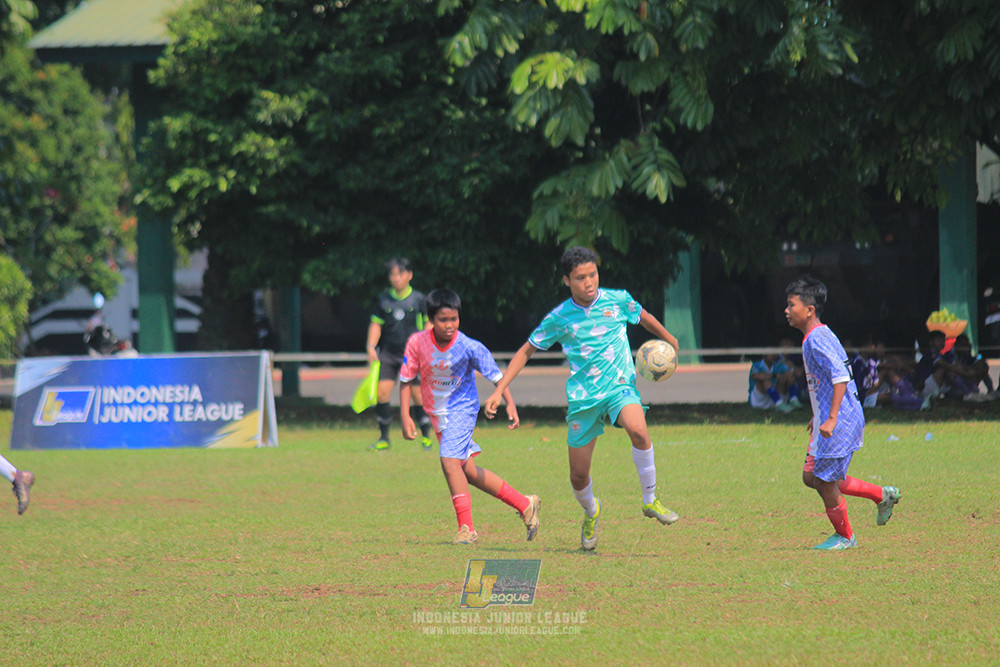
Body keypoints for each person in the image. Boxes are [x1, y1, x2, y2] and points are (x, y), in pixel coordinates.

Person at [484, 246, 680, 552]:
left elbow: (643, 317)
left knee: (639, 429)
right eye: (580, 278)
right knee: (578, 475)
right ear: (566, 280)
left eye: (593, 275)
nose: (589, 282)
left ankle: (650, 499)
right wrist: (498, 390)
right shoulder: (560, 318)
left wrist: (669, 338)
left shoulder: (617, 300)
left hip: (618, 387)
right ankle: (591, 512)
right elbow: (525, 351)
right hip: (583, 399)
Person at [399, 288, 539, 545]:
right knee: (468, 471)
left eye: (454, 319)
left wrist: (510, 403)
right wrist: (406, 415)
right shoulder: (417, 343)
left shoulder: (469, 347)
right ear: (430, 319)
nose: (450, 325)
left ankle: (467, 529)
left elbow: (497, 377)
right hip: (438, 417)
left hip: (462, 410)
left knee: (449, 462)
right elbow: (406, 380)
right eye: (443, 320)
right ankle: (525, 503)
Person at [785, 276, 901, 550]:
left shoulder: (816, 339)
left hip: (841, 419)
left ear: (809, 309)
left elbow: (839, 378)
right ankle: (881, 494)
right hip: (832, 415)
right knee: (812, 477)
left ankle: (846, 537)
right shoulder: (817, 335)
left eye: (791, 305)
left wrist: (832, 417)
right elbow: (828, 379)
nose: (786, 311)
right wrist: (819, 413)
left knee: (825, 482)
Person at [365, 257, 433, 451]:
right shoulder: (384, 299)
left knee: (417, 394)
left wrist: (425, 344)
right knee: (382, 392)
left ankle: (426, 437)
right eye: (393, 274)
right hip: (389, 353)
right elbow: (376, 324)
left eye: (400, 274)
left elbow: (430, 322)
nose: (396, 278)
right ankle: (384, 438)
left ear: (409, 275)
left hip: (412, 355)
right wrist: (371, 346)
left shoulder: (419, 299)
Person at [748, 348, 803, 412]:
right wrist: (775, 376)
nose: (774, 355)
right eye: (771, 352)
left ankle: (793, 399)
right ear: (765, 353)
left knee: (789, 376)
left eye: (776, 352)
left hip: (777, 394)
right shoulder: (757, 364)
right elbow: (755, 376)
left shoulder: (779, 364)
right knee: (765, 381)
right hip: (760, 400)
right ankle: (779, 403)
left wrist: (790, 366)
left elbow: (798, 374)